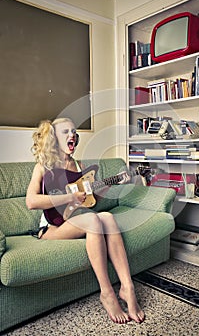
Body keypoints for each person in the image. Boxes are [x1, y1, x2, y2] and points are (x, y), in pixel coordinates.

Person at [26, 117, 145, 324]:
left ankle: (127, 287)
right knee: (92, 220)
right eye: (65, 132)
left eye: (74, 131)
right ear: (54, 138)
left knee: (106, 216)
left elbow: (90, 202)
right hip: (52, 228)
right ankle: (107, 292)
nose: (72, 134)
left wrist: (111, 185)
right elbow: (31, 201)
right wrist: (69, 197)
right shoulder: (44, 167)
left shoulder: (79, 166)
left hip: (75, 220)